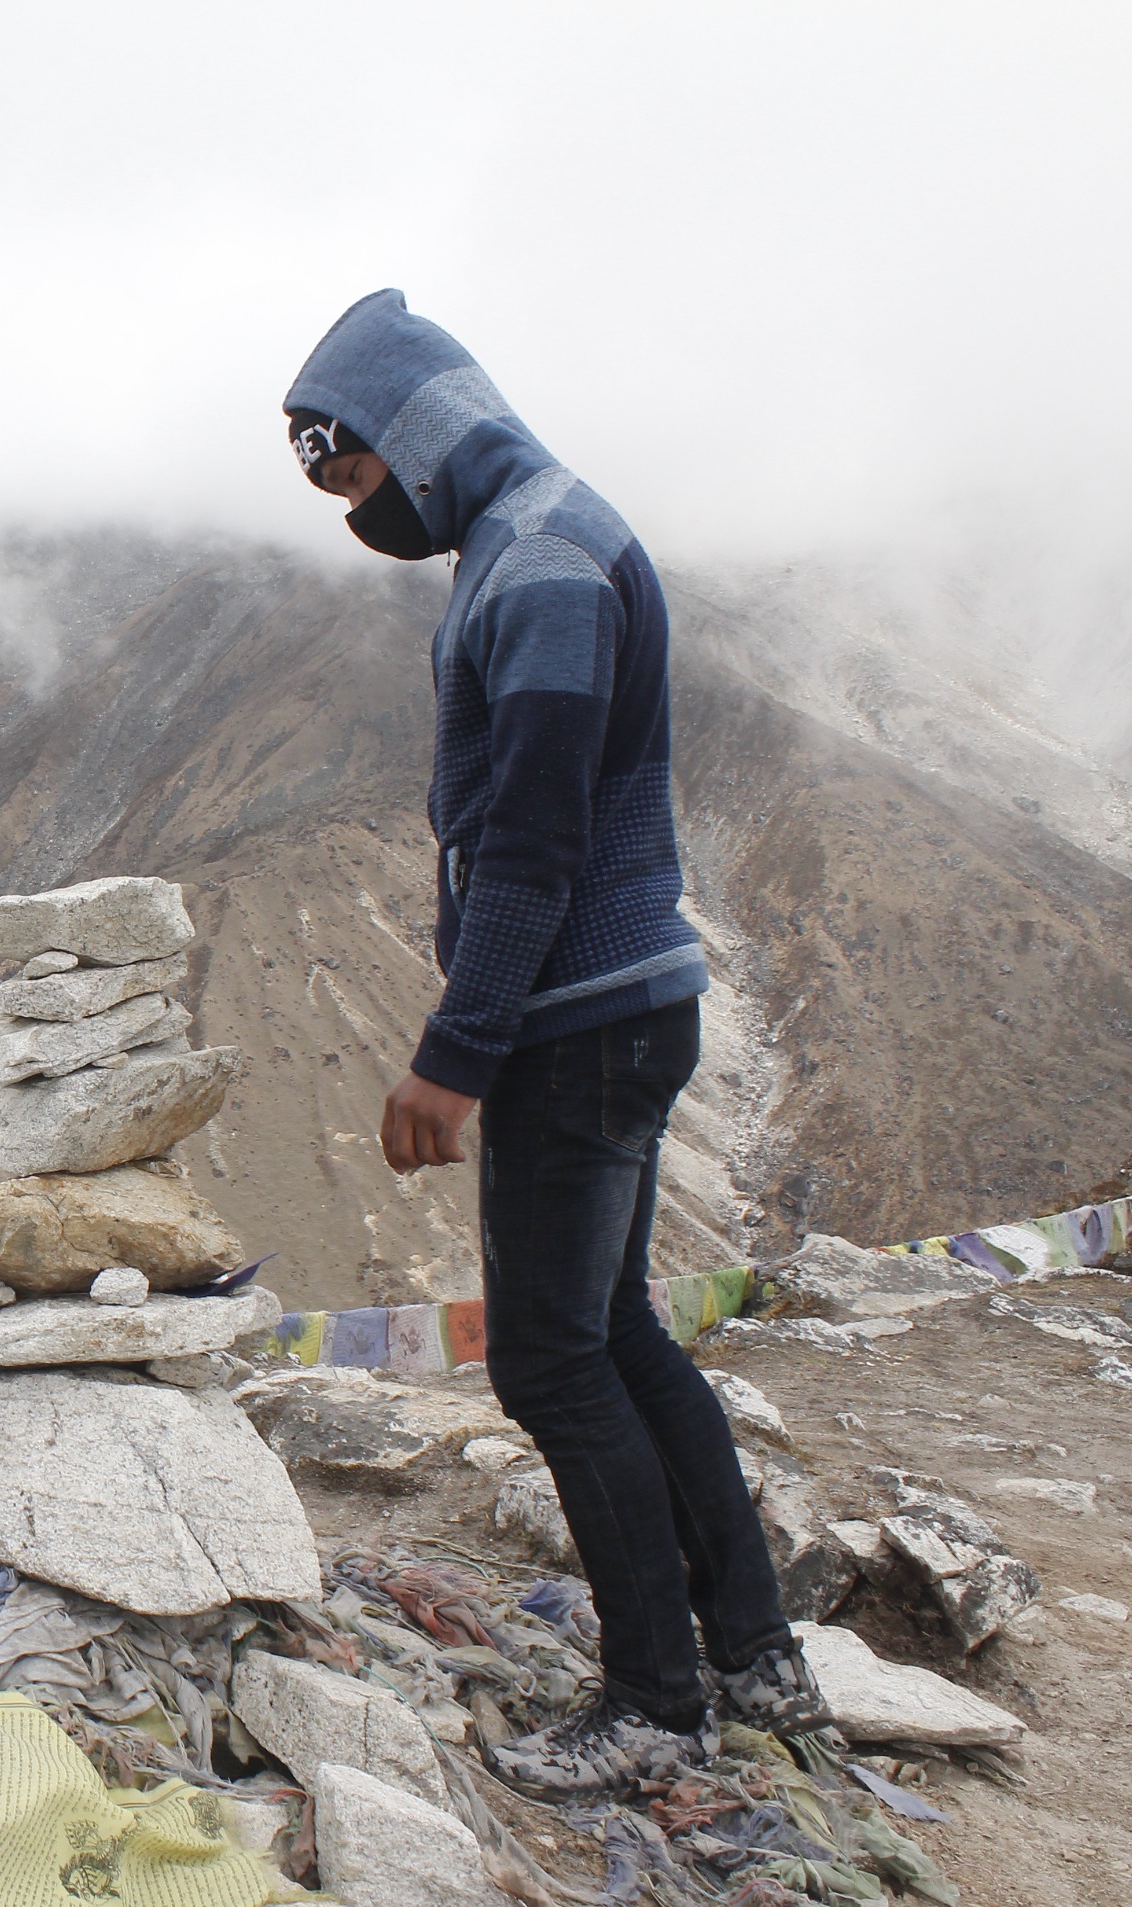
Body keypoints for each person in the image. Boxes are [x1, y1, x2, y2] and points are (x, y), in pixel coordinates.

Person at [282, 289, 831, 1796]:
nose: (352, 511)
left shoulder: (539, 571)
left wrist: (455, 1053)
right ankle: (756, 1653)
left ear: (410, 437)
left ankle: (656, 1701)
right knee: (621, 1334)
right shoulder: (535, 536)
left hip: (574, 1024)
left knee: (546, 1361)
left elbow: (531, 841)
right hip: (622, 1010)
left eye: (351, 474)